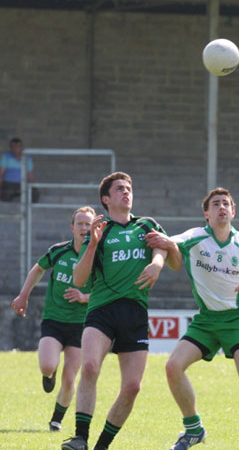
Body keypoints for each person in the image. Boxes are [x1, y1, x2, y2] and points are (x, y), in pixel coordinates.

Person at [147, 187, 239, 450]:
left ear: (233, 211)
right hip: (206, 321)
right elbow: (163, 243)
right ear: (206, 213)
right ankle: (194, 429)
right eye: (216, 204)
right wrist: (156, 264)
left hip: (237, 319)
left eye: (226, 204)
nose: (221, 208)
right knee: (173, 367)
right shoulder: (195, 237)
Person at [61, 172, 181, 450]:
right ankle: (80, 437)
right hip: (102, 310)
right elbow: (79, 280)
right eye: (119, 189)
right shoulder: (100, 231)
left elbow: (172, 258)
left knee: (132, 388)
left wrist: (158, 263)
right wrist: (92, 243)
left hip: (135, 313)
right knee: (90, 366)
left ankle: (102, 446)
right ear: (106, 199)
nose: (126, 192)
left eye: (129, 188)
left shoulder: (146, 224)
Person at [11, 206, 95, 432]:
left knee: (70, 380)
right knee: (47, 365)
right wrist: (23, 296)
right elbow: (38, 269)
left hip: (81, 325)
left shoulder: (97, 257)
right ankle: (51, 372)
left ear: (94, 228)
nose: (84, 228)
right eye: (80, 224)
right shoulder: (59, 252)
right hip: (54, 320)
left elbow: (107, 289)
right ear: (72, 227)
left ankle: (56, 419)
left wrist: (84, 297)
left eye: (89, 224)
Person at [0, 137, 39, 202]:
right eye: (13, 146)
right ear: (10, 148)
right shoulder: (6, 157)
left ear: (21, 147)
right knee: (5, 198)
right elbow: (1, 175)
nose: (16, 149)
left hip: (23, 183)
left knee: (35, 195)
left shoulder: (27, 158)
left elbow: (30, 175)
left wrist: (34, 186)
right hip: (9, 184)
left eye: (18, 146)